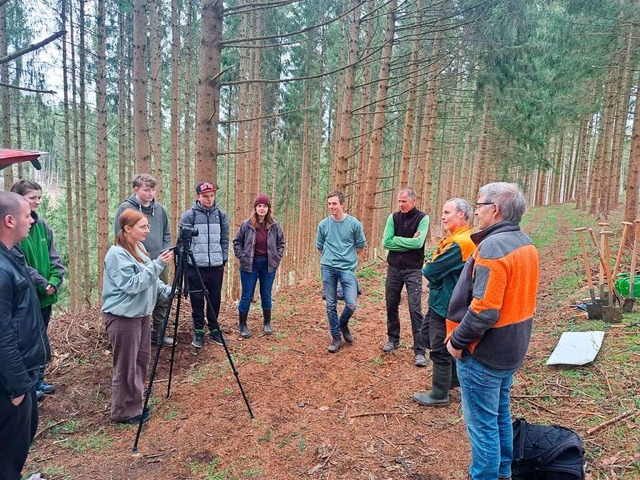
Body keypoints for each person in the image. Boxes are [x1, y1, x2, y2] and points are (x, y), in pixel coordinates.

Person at [445, 182, 539, 480]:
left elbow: (485, 309)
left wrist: (458, 342)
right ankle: (502, 473)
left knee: (482, 426)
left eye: (479, 205)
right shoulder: (525, 242)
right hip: (511, 348)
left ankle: (487, 475)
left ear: (494, 209)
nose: (476, 211)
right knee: (499, 414)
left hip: (484, 352)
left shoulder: (493, 247)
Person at [102, 209, 173, 424]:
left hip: (142, 315)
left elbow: (151, 279)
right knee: (126, 365)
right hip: (123, 318)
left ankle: (135, 402)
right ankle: (123, 412)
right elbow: (132, 285)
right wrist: (159, 264)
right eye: (143, 227)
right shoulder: (116, 254)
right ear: (127, 229)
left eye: (147, 226)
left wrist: (169, 291)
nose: (147, 230)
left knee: (141, 360)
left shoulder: (138, 248)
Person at [0, 191, 51, 479]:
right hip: (12, 380)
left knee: (19, 442)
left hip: (25, 370)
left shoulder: (13, 254)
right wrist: (18, 386)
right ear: (9, 221)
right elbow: (2, 336)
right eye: (26, 215)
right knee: (8, 448)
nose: (32, 220)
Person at [412, 198, 475, 406]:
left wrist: (430, 264)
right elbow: (433, 263)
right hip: (439, 300)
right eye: (443, 212)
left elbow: (430, 269)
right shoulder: (455, 239)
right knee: (426, 335)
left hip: (448, 303)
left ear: (462, 215)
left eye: (447, 212)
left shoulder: (461, 243)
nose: (443, 217)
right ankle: (453, 379)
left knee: (439, 346)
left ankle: (440, 394)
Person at [10, 180, 65, 400]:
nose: (38, 202)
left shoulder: (42, 226)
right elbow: (20, 263)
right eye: (33, 197)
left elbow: (55, 257)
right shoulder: (13, 228)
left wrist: (54, 280)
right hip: (28, 298)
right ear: (19, 199)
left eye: (39, 197)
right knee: (27, 342)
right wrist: (43, 283)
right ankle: (27, 386)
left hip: (45, 298)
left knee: (41, 339)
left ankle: (38, 380)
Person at [114, 173, 173, 347]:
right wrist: (134, 255)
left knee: (162, 298)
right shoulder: (126, 209)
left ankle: (159, 333)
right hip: (136, 262)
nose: (150, 193)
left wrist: (166, 251)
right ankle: (138, 335)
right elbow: (120, 236)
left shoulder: (160, 209)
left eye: (153, 190)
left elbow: (166, 233)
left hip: (160, 260)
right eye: (147, 190)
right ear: (136, 189)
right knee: (140, 297)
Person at [381, 187, 430, 367]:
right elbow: (386, 242)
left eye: (404, 201)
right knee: (391, 304)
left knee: (415, 308)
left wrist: (398, 240)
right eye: (399, 201)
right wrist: (408, 242)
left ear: (413, 201)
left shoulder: (422, 218)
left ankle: (420, 350)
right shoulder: (393, 217)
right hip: (394, 268)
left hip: (413, 270)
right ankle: (393, 339)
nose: (401, 204)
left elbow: (418, 243)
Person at [180, 182, 229, 349]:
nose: (209, 199)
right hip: (196, 267)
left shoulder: (221, 216)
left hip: (215, 266)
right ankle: (199, 330)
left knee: (215, 299)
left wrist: (223, 259)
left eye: (212, 196)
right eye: (205, 196)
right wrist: (186, 264)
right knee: (197, 299)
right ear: (198, 197)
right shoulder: (189, 216)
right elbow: (183, 241)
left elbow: (224, 239)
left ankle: (214, 329)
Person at [316, 191, 366, 353]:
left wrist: (347, 258)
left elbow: (360, 246)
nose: (331, 207)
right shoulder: (323, 224)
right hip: (328, 268)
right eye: (329, 204)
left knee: (351, 303)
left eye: (334, 204)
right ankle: (336, 337)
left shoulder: (354, 224)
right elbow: (320, 246)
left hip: (347, 269)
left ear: (342, 204)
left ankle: (342, 323)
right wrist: (330, 258)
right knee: (330, 304)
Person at [233, 194, 285, 337]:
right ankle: (243, 324)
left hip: (268, 265)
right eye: (259, 206)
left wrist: (277, 257)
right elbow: (237, 242)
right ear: (255, 208)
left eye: (265, 206)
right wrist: (242, 257)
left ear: (268, 209)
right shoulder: (247, 224)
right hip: (249, 264)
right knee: (246, 295)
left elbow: (281, 243)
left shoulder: (274, 225)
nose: (262, 209)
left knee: (266, 294)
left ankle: (267, 322)